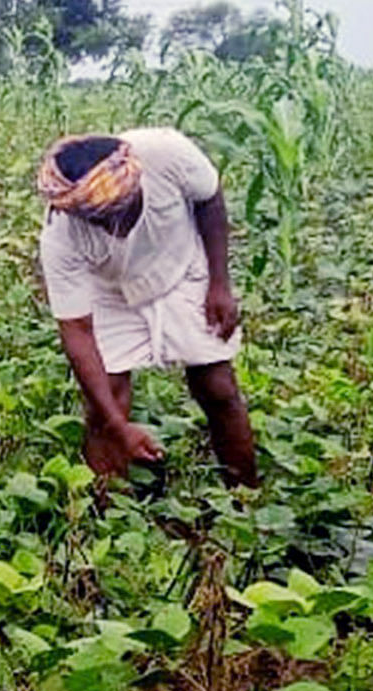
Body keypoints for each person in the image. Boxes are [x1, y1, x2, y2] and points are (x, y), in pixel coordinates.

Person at [35, 129, 259, 488]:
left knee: (217, 386)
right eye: (98, 220)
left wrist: (220, 283)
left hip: (182, 266)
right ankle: (106, 519)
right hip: (110, 290)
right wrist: (118, 426)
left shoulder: (167, 154)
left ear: (136, 183)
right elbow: (77, 331)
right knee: (104, 404)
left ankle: (246, 499)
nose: (112, 228)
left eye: (116, 213)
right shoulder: (61, 232)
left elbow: (210, 199)